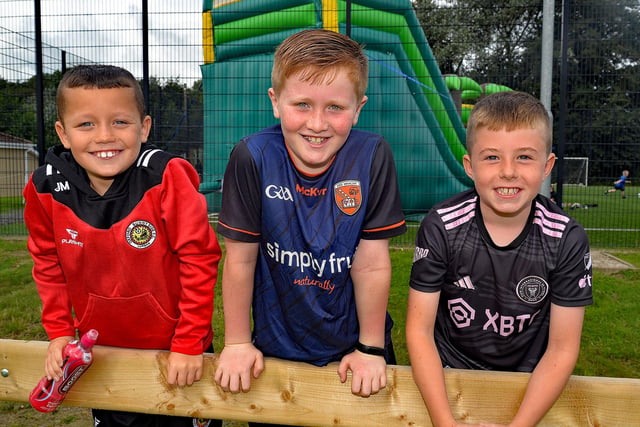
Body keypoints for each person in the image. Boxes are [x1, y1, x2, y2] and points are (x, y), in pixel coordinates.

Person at [213, 29, 406, 424]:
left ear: (358, 108)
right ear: (276, 103)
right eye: (302, 104)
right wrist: (236, 343)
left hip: (356, 351)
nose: (317, 123)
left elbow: (370, 263)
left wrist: (370, 349)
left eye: (335, 107)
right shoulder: (252, 156)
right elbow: (240, 259)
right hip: (276, 352)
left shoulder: (372, 156)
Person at [23, 64, 222, 427]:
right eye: (86, 124)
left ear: (143, 128)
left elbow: (199, 259)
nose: (104, 136)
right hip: (103, 353)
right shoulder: (44, 189)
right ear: (63, 134)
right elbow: (47, 263)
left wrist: (190, 342)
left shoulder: (166, 176)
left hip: (178, 351)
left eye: (120, 122)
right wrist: (61, 333)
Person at [406, 91, 593, 426]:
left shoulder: (566, 238)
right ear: (470, 166)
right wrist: (445, 422)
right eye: (492, 157)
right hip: (450, 379)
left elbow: (563, 350)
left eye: (524, 157)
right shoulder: (442, 226)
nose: (508, 172)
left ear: (547, 165)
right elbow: (419, 332)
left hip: (529, 386)